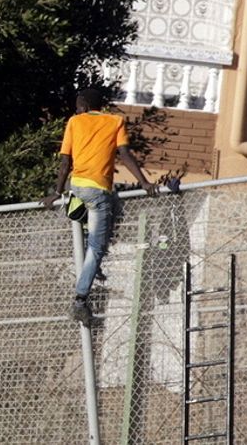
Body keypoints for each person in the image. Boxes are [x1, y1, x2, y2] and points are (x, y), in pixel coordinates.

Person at [41, 88, 157, 326]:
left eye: (77, 105)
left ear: (84, 105)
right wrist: (144, 182)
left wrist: (56, 192)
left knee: (100, 217)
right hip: (97, 191)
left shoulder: (74, 122)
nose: (76, 109)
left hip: (77, 187)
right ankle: (80, 301)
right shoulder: (115, 121)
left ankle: (93, 265)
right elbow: (124, 155)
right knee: (98, 246)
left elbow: (65, 162)